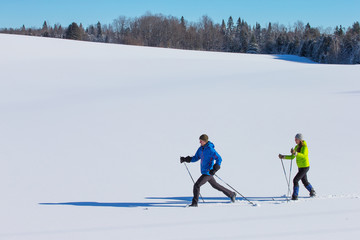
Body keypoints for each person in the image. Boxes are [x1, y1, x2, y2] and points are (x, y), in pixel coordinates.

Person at [180, 134, 236, 207]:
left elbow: (219, 158)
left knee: (197, 185)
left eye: (201, 141)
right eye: (199, 140)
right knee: (215, 185)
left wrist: (215, 168)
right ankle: (231, 194)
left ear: (205, 141)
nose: (200, 142)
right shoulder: (200, 149)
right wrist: (186, 159)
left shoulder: (210, 149)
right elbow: (196, 157)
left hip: (208, 172)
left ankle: (194, 203)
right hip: (205, 171)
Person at [278, 133, 316, 200]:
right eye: (295, 139)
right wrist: (283, 156)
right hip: (300, 167)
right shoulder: (296, 147)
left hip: (305, 167)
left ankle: (295, 196)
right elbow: (292, 157)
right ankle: (312, 191)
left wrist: (296, 153)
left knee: (295, 180)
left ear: (300, 140)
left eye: (296, 139)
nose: (295, 140)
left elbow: (303, 155)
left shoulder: (304, 147)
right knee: (304, 181)